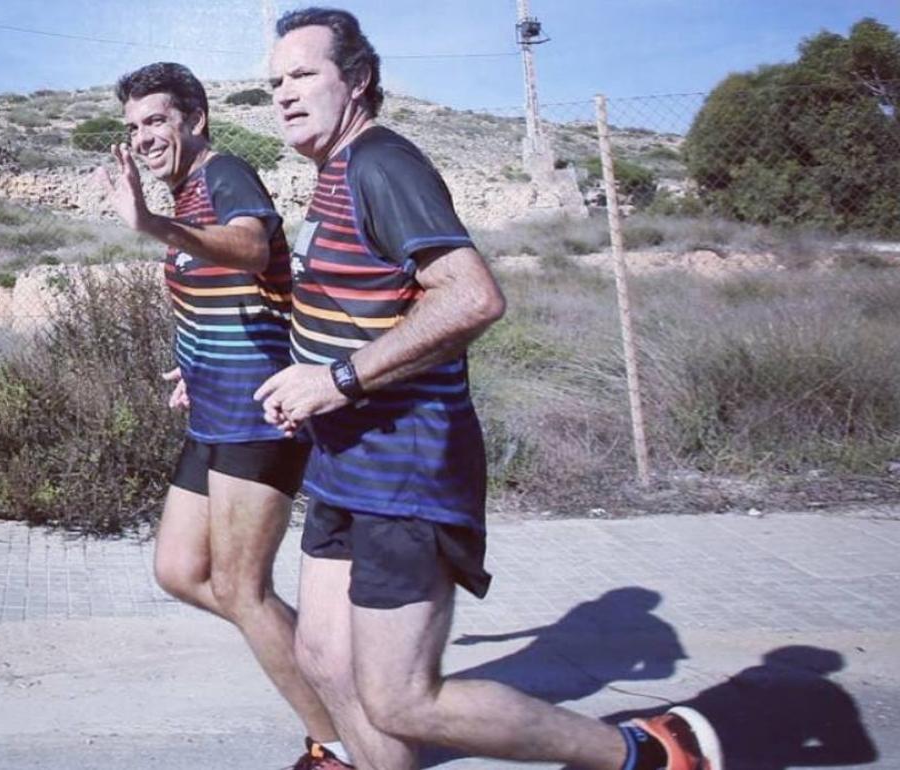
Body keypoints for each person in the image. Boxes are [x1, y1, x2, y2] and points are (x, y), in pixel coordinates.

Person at [254, 9, 724, 770]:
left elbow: (472, 298)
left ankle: (646, 754)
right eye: (275, 80)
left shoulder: (381, 163)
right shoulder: (335, 170)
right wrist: (298, 381)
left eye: (304, 74)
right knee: (324, 658)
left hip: (405, 473)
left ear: (360, 80)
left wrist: (338, 380)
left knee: (401, 697)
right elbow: (350, 303)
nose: (283, 93)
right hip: (346, 465)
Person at [93, 62, 348, 768]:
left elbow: (251, 247)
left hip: (259, 417)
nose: (144, 138)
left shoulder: (222, 172)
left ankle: (342, 742)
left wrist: (153, 224)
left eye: (156, 121)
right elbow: (222, 295)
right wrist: (194, 364)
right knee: (178, 570)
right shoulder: (183, 191)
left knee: (241, 588)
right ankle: (336, 674)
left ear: (194, 120)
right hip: (213, 410)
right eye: (134, 127)